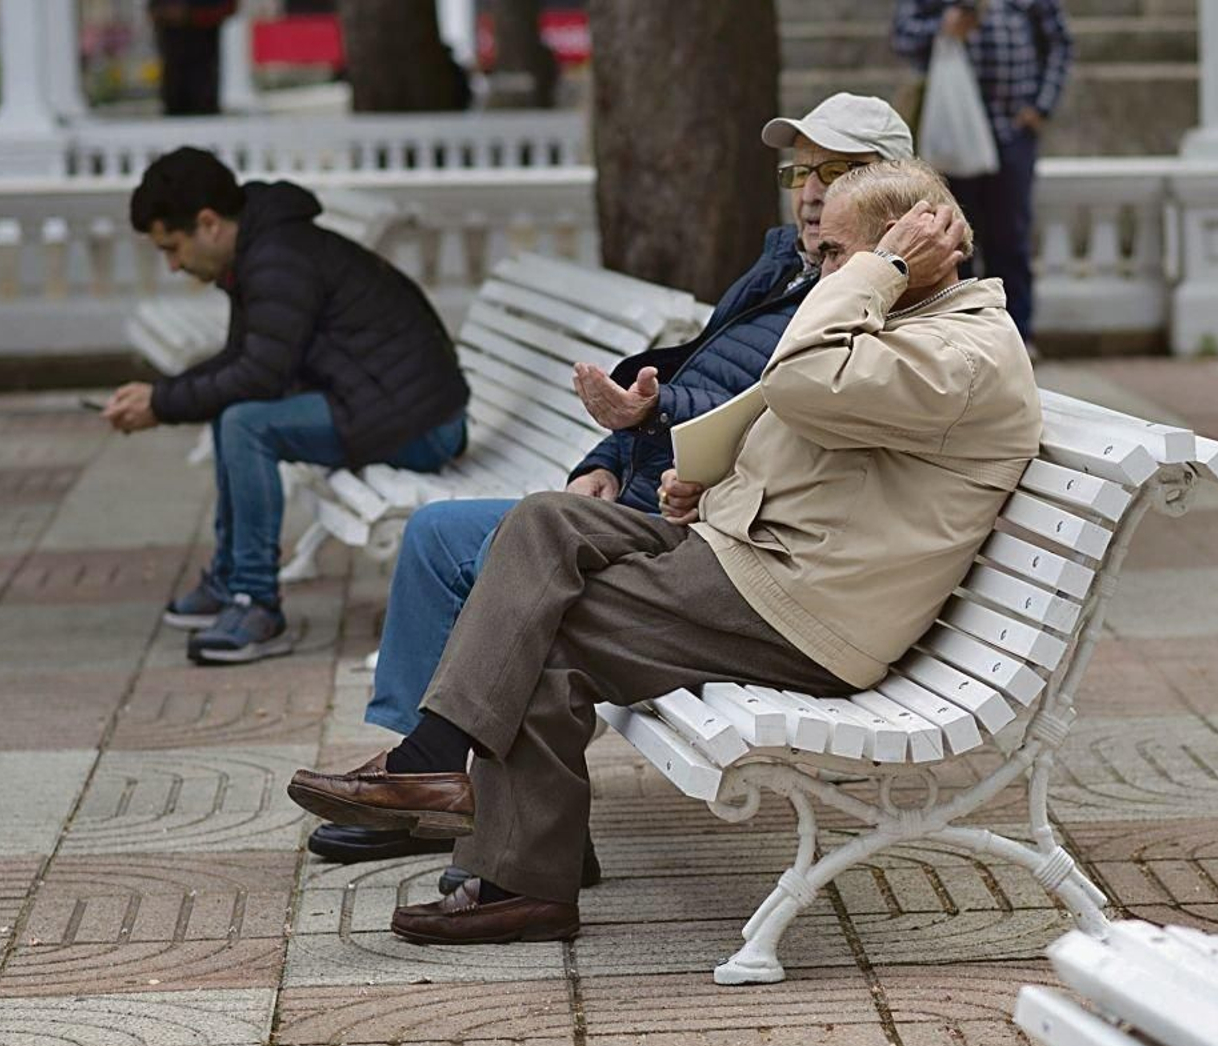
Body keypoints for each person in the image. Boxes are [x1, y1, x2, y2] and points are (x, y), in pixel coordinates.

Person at [288, 158, 1043, 944]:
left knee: (550, 631)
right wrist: (707, 490)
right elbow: (824, 450)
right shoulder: (908, 326)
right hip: (752, 557)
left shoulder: (958, 353)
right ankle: (439, 764)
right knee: (546, 521)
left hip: (805, 610)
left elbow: (800, 380)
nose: (822, 271)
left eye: (835, 254)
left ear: (906, 247)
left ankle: (518, 874)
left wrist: (877, 269)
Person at [304, 93, 916, 875]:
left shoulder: (869, 300)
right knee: (438, 537)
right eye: (800, 172)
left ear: (893, 187)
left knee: (513, 580)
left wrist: (655, 418)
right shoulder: (781, 268)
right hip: (647, 495)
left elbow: (779, 406)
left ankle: (451, 792)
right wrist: (603, 458)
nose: (811, 193)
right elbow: (695, 377)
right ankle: (430, 780)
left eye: (836, 172)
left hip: (709, 532)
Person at [103, 147, 469, 665]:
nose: (174, 265)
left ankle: (256, 603)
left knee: (245, 424)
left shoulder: (277, 259)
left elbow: (260, 375)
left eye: (173, 247)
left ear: (208, 223)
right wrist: (158, 394)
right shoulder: (261, 249)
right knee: (237, 418)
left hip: (421, 424)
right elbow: (244, 359)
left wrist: (162, 404)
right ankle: (232, 579)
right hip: (385, 404)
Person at [891, 0, 1073, 346]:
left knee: (1011, 240)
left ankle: (1016, 338)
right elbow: (902, 36)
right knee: (952, 241)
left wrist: (1041, 107)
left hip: (1012, 133)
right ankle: (960, 338)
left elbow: (1059, 43)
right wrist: (944, 26)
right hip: (952, 136)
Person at [149, 0, 237, 116]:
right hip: (174, 81)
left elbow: (229, 7)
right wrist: (164, 12)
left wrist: (191, 14)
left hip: (203, 79)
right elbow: (153, 9)